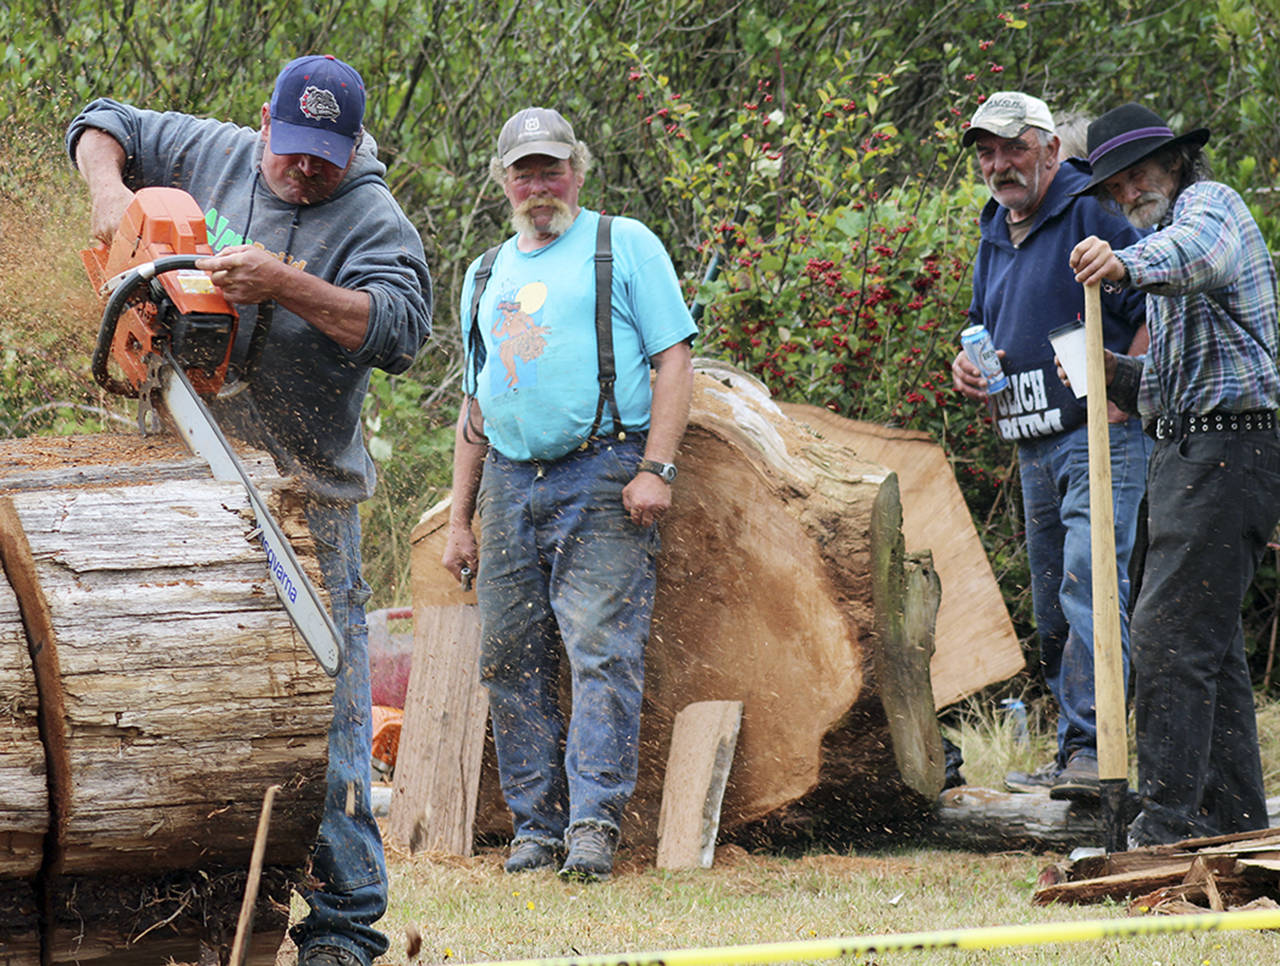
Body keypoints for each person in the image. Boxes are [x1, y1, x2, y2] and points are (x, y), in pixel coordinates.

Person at [66, 55, 433, 966]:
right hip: (186, 477)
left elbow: (399, 331)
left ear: (351, 148)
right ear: (266, 126)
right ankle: (183, 897)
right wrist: (112, 195)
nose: (304, 170)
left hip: (308, 499)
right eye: (293, 150)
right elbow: (99, 117)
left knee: (333, 711)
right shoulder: (213, 149)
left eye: (325, 157)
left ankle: (346, 926)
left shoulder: (373, 220)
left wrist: (287, 285)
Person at [441, 106, 695, 881]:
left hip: (603, 471)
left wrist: (657, 467)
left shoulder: (624, 246)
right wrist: (459, 520)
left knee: (598, 651)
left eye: (552, 169)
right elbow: (474, 406)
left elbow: (676, 361)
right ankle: (534, 828)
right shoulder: (485, 273)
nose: (539, 185)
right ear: (504, 181)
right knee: (509, 659)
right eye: (525, 171)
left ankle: (593, 826)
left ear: (577, 173)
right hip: (511, 482)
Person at [1070, 103, 1280, 846]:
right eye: (1116, 188)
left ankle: (1163, 825)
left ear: (1174, 162)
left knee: (1165, 636)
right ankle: (1230, 825)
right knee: (1208, 648)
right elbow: (1163, 389)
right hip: (1189, 452)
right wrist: (1103, 370)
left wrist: (1125, 263)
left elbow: (1197, 254)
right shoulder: (1163, 246)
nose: (1129, 194)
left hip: (1234, 448)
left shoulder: (1208, 208)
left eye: (1137, 176)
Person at [951, 91, 1150, 802]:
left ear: (1050, 151)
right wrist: (965, 365)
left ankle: (1103, 754)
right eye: (986, 153)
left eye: (1012, 149)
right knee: (1052, 608)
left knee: (1089, 587)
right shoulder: (994, 229)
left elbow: (1152, 299)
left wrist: (1128, 395)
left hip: (1098, 434)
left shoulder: (1091, 209)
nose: (998, 165)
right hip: (1030, 440)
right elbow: (980, 319)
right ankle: (1076, 755)